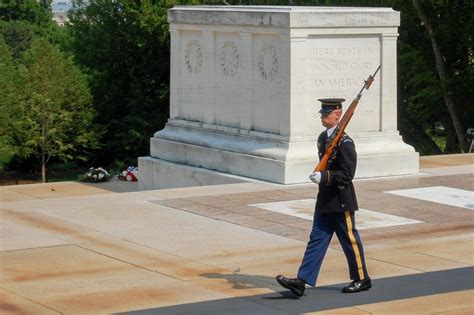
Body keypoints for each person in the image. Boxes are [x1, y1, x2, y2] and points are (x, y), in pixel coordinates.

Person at [276, 98, 371, 297]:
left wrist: (324, 176)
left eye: (326, 114)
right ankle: (301, 282)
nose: (322, 116)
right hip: (325, 199)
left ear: (338, 116)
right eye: (322, 113)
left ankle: (362, 279)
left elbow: (347, 174)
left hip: (341, 199)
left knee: (349, 240)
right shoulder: (322, 138)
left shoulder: (345, 143)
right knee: (317, 239)